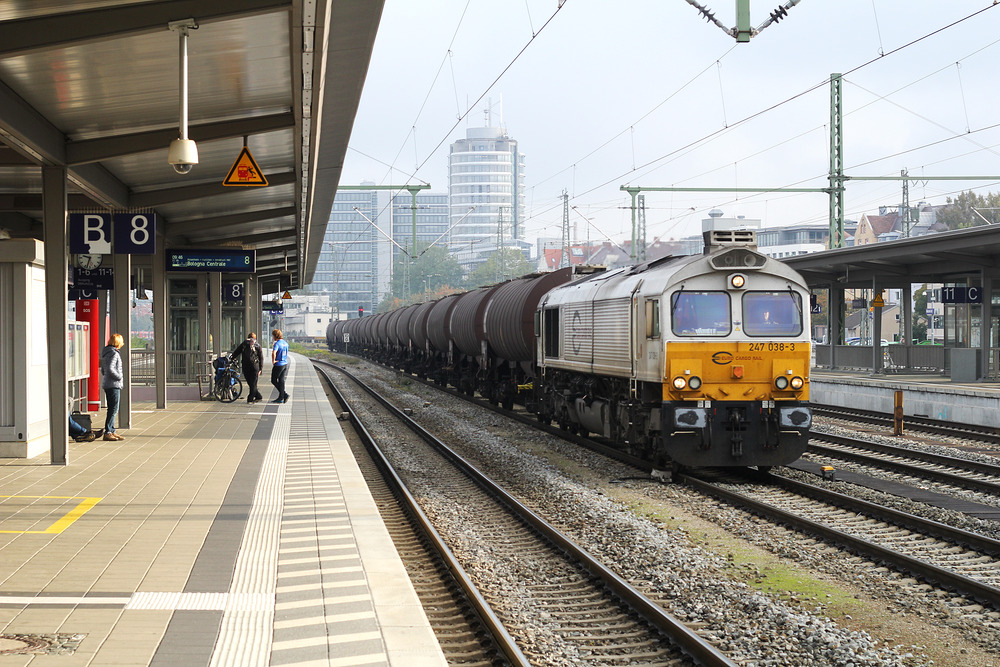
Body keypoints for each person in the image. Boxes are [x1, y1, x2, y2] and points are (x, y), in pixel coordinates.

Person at [100, 333, 125, 441]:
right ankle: (108, 431)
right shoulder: (114, 354)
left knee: (112, 408)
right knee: (113, 409)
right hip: (113, 384)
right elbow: (110, 368)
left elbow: (103, 370)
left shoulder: (106, 353)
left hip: (107, 383)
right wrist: (119, 377)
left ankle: (112, 430)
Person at [232, 332, 264, 404]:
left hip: (245, 366)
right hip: (255, 366)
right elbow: (261, 357)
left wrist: (232, 357)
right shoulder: (258, 345)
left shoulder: (244, 344)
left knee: (250, 383)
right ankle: (257, 396)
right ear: (255, 338)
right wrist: (260, 368)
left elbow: (237, 351)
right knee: (253, 383)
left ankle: (251, 398)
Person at [270, 328, 289, 403]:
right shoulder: (285, 343)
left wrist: (273, 361)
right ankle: (281, 397)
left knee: (273, 380)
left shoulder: (277, 344)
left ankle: (284, 395)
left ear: (275, 336)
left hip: (278, 364)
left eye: (273, 336)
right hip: (284, 363)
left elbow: (274, 352)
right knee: (281, 381)